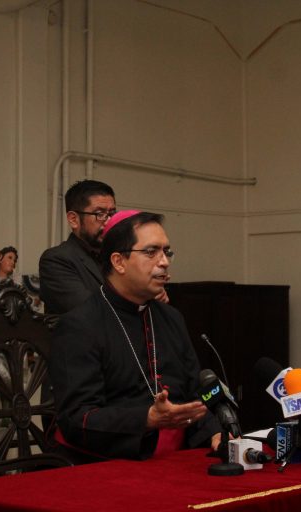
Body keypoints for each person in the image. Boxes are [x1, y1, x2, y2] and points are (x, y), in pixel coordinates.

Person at [49, 211, 221, 461]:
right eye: (151, 252)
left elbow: (196, 393)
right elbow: (77, 418)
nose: (164, 262)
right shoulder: (80, 326)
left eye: (166, 252)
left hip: (176, 460)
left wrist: (215, 431)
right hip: (106, 463)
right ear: (119, 262)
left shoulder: (171, 318)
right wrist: (147, 419)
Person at [39, 180, 117, 314]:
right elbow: (90, 312)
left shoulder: (117, 256)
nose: (109, 222)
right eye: (100, 214)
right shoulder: (56, 260)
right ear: (73, 219)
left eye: (112, 214)